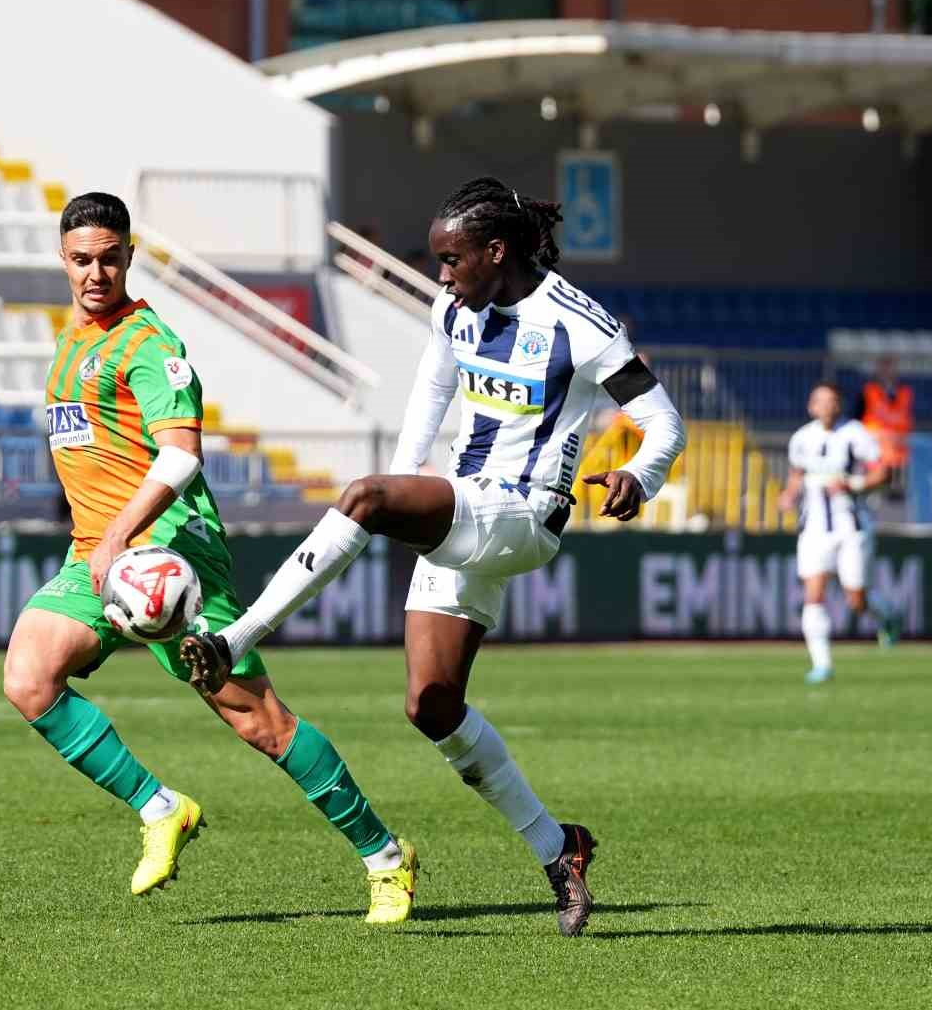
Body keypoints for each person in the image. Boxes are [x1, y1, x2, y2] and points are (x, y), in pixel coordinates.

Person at [181, 177, 687, 937]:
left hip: (526, 513)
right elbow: (430, 396)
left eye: (452, 259)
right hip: (464, 506)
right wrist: (402, 483)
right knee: (431, 706)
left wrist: (638, 476)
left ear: (497, 250)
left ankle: (234, 639)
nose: (442, 274)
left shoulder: (580, 325)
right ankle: (560, 850)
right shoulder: (452, 311)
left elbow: (664, 422)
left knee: (362, 499)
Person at [2, 192, 417, 922]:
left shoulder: (149, 345)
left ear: (130, 256)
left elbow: (181, 456)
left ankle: (385, 858)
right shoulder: (72, 343)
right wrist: (101, 540)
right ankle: (162, 808)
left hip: (167, 556)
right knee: (28, 678)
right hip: (97, 556)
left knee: (262, 724)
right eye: (82, 259)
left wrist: (119, 533)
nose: (96, 273)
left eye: (109, 258)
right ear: (62, 259)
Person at [777, 381, 902, 684]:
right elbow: (796, 474)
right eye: (821, 401)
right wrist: (789, 495)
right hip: (814, 529)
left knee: (856, 600)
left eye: (832, 401)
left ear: (839, 405)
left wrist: (853, 484)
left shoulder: (855, 434)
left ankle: (887, 617)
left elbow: (884, 472)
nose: (827, 406)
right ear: (811, 406)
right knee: (813, 595)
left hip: (851, 527)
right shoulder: (801, 438)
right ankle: (822, 665)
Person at [860, 356, 913, 473]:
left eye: (890, 368)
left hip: (900, 458)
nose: (887, 372)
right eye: (884, 368)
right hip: (874, 456)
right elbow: (857, 420)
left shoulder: (905, 393)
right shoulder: (868, 391)